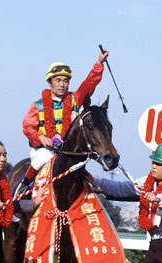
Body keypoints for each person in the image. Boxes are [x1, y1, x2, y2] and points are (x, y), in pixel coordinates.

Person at [18, 49, 109, 194]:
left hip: (68, 151)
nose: (62, 85)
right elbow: (27, 127)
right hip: (45, 150)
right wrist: (41, 137)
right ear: (50, 82)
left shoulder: (75, 99)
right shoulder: (38, 105)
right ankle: (24, 186)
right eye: (58, 80)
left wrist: (99, 63)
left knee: (80, 165)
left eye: (65, 81)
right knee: (43, 158)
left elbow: (89, 84)